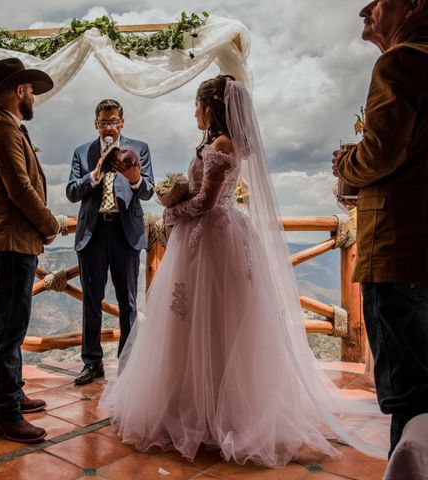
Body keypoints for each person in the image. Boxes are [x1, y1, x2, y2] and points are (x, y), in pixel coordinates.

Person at [101, 75, 388, 466]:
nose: (193, 111)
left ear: (212, 108)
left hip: (214, 238)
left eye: (197, 105)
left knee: (216, 320)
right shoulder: (210, 143)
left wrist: (172, 210)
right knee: (190, 321)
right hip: (202, 239)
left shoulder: (222, 144)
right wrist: (177, 192)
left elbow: (206, 201)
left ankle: (218, 411)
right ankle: (188, 405)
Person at [333, 0, 428, 457]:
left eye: (376, 1)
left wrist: (346, 164)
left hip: (400, 248)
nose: (364, 11)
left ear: (414, 6)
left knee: (409, 394)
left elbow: (380, 155)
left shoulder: (402, 60)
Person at [0, 58, 60, 444]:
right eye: (31, 92)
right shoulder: (3, 130)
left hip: (13, 241)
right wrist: (51, 224)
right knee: (8, 329)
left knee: (13, 323)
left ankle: (13, 392)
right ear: (19, 90)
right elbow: (20, 188)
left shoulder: (8, 127)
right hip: (10, 241)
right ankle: (3, 412)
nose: (34, 99)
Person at [66, 99, 154, 385]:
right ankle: (92, 364)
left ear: (122, 122)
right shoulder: (83, 152)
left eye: (114, 121)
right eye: (104, 122)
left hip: (124, 233)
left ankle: (128, 366)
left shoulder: (139, 149)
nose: (109, 127)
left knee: (127, 303)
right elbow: (71, 192)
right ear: (96, 124)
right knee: (91, 301)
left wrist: (135, 179)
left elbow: (148, 191)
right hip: (93, 235)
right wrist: (94, 174)